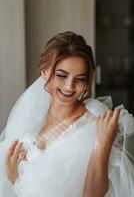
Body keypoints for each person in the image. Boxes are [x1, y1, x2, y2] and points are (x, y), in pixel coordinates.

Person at [0, 31, 134, 197]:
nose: (70, 86)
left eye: (80, 79)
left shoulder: (96, 120)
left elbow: (92, 195)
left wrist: (103, 146)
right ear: (44, 73)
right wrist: (14, 179)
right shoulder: (32, 114)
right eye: (62, 76)